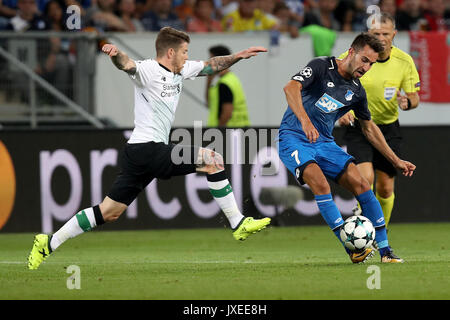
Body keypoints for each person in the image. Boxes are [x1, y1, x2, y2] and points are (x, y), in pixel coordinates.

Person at [27, 27, 270, 270]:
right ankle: (238, 223)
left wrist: (238, 55)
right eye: (185, 51)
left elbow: (210, 65)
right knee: (211, 159)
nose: (187, 56)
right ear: (171, 52)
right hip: (148, 148)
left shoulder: (181, 69)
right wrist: (114, 53)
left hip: (138, 154)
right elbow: (126, 64)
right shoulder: (147, 70)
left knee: (109, 211)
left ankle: (49, 242)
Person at [278, 32, 415, 264]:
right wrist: (305, 121)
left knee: (362, 184)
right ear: (351, 52)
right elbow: (290, 88)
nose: (367, 67)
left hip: (324, 143)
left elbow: (369, 128)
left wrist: (395, 160)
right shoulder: (321, 66)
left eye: (371, 63)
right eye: (364, 60)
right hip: (294, 138)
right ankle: (352, 248)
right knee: (320, 184)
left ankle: (385, 251)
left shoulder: (357, 91)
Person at [338, 13, 420, 229]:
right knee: (365, 180)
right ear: (367, 35)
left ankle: (377, 233)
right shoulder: (352, 56)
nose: (381, 37)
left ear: (394, 34)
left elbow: (414, 97)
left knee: (385, 189)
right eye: (376, 33)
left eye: (385, 33)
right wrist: (341, 110)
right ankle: (364, 224)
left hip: (388, 128)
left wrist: (407, 102)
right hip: (359, 126)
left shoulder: (404, 61)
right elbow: (334, 88)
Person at [206, 45, 250, 127]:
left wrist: (218, 133)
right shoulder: (232, 79)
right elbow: (209, 104)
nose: (208, 64)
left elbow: (227, 113)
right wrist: (209, 81)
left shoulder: (224, 84)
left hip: (229, 133)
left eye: (211, 59)